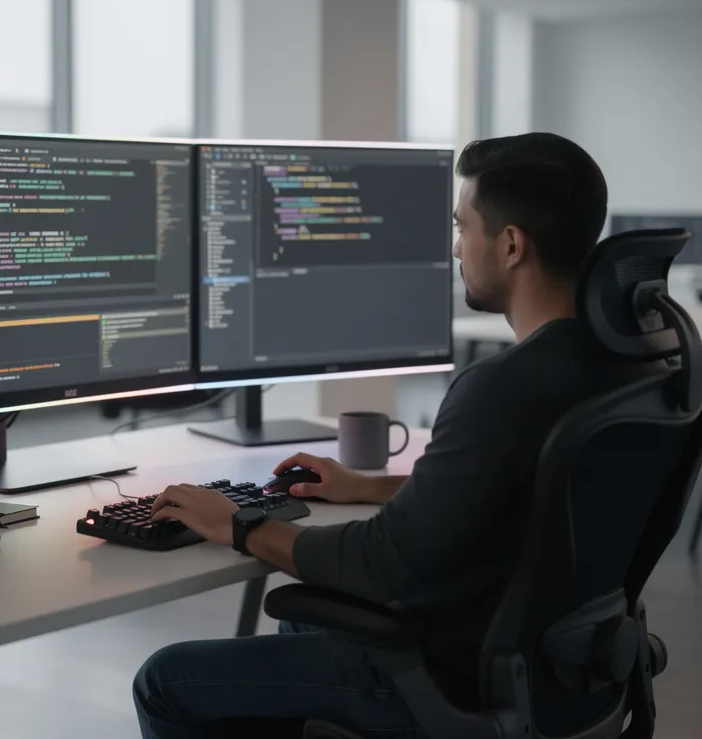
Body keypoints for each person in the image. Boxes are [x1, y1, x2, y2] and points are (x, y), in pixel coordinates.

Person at [133, 133, 662, 739]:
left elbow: (383, 563)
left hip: (452, 673)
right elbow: (519, 490)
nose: (457, 247)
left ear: (511, 244)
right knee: (301, 628)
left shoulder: (503, 386)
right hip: (560, 671)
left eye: (463, 227)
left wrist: (237, 524)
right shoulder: (620, 370)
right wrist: (369, 485)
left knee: (166, 680)